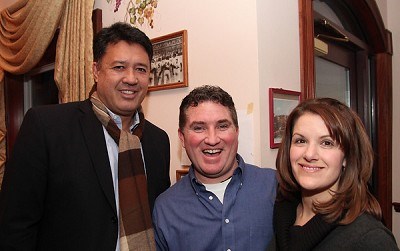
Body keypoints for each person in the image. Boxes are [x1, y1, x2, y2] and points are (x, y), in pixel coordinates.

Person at [0, 22, 171, 250]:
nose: (131, 78)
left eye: (141, 69)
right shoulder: (47, 127)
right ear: (96, 71)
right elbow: (15, 226)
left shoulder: (158, 141)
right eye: (119, 67)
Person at [152, 85, 277, 251]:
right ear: (182, 138)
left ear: (236, 132)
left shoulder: (275, 187)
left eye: (222, 126)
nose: (212, 139)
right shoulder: (165, 208)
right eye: (199, 128)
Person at [270, 97, 399, 250]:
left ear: (347, 157)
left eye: (327, 143)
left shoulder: (370, 238)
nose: (310, 154)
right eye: (300, 141)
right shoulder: (283, 213)